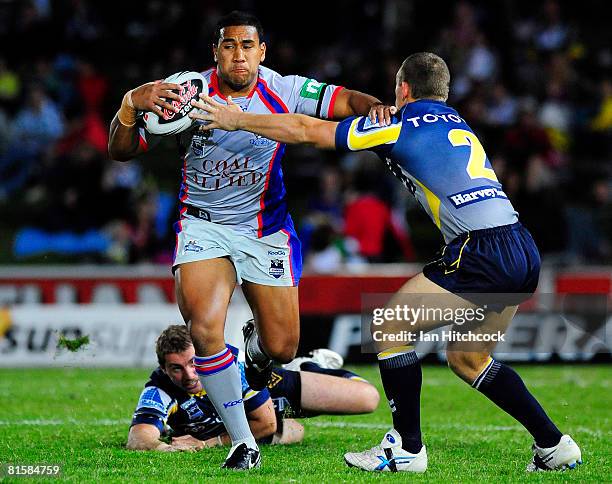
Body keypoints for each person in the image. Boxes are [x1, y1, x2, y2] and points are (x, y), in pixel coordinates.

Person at [189, 52, 583, 473]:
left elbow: (307, 130)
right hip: (520, 247)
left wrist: (237, 120)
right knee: (469, 359)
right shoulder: (455, 121)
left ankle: (406, 448)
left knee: (388, 325)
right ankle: (553, 445)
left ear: (404, 90)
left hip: (480, 251)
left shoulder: (398, 123)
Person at [107, 11, 390, 469]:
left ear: (262, 52)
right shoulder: (185, 93)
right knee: (203, 327)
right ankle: (244, 442)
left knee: (282, 348)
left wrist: (376, 105)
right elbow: (121, 150)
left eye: (247, 46)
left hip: (265, 231)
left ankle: (257, 358)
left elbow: (347, 101)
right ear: (215, 52)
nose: (238, 54)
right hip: (203, 225)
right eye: (228, 45)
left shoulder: (285, 89)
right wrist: (128, 105)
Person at [127, 325, 379, 452]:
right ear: (163, 368)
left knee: (368, 397)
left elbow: (266, 424)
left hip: (278, 393)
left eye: (194, 363)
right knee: (293, 431)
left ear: (204, 356)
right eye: (176, 368)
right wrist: (167, 449)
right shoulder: (159, 389)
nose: (189, 375)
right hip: (263, 417)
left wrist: (205, 443)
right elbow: (138, 437)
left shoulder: (231, 367)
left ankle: (308, 365)